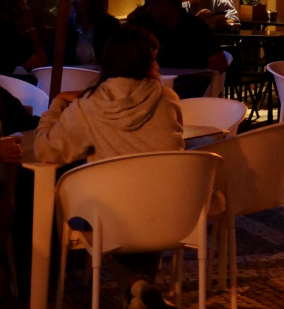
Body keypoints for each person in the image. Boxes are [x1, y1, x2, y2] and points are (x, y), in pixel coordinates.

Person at [34, 25, 185, 309]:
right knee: (150, 198)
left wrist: (55, 106)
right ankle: (139, 295)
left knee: (88, 215)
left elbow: (47, 151)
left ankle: (136, 285)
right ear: (148, 61)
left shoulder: (88, 106)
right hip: (170, 214)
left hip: (111, 218)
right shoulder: (168, 100)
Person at [127, 0, 229, 75]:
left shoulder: (195, 27)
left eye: (153, 3)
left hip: (191, 89)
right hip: (158, 84)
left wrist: (195, 80)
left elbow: (220, 63)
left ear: (168, 6)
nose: (149, 7)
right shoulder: (148, 27)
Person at [66, 0, 121, 66]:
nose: (73, 1)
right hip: (76, 75)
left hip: (103, 76)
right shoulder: (70, 24)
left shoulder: (109, 25)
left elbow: (116, 59)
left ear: (93, 0)